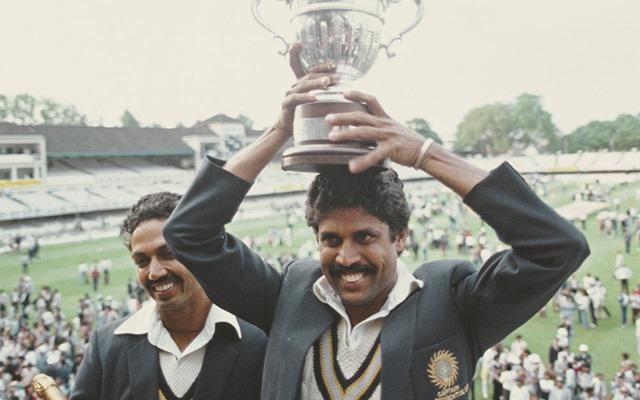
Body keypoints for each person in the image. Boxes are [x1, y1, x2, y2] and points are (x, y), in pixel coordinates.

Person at [162, 45, 590, 399]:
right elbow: (189, 232)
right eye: (331, 239)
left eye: (365, 237)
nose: (347, 257)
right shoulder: (288, 296)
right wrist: (279, 130)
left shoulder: (453, 302)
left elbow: (557, 248)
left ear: (400, 236)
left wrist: (426, 154)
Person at [70, 192, 267, 400]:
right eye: (142, 261)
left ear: (203, 252)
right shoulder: (107, 345)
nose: (155, 272)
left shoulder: (257, 341)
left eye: (168, 254)